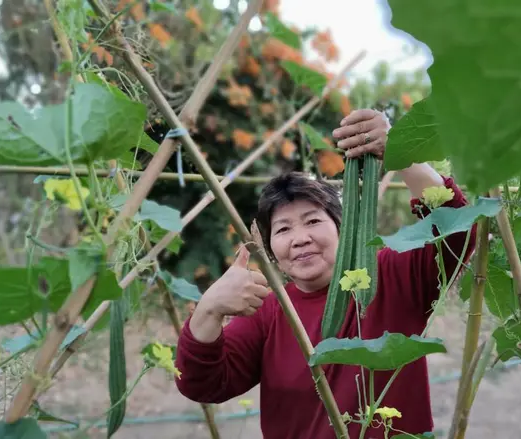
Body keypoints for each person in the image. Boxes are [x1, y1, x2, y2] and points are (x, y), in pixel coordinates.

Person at [174, 109, 477, 439]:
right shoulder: (269, 312)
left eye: (313, 221)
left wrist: (400, 152)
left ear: (342, 229)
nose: (300, 238)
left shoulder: (390, 275)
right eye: (283, 228)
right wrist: (209, 309)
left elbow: (456, 229)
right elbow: (204, 383)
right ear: (271, 249)